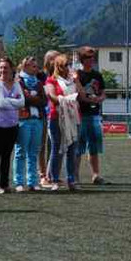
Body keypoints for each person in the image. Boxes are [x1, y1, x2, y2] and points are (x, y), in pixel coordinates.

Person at [0, 57, 25, 194]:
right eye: (1, 67)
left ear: (11, 69)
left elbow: (22, 103)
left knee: (7, 155)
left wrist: (8, 101)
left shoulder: (16, 84)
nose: (3, 70)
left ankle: (5, 183)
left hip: (13, 124)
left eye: (6, 67)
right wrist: (14, 101)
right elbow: (1, 103)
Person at [45, 53, 81, 190]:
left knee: (72, 149)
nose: (68, 67)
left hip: (73, 117)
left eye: (69, 65)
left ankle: (71, 180)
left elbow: (81, 94)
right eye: (66, 65)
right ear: (58, 67)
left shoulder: (73, 80)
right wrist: (68, 99)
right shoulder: (51, 80)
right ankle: (54, 180)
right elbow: (52, 96)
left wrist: (77, 81)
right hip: (57, 118)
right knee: (57, 149)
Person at [74, 46, 107, 185]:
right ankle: (75, 176)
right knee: (78, 147)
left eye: (93, 57)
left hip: (94, 115)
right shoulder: (77, 75)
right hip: (80, 115)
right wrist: (91, 100)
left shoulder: (97, 75)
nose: (91, 59)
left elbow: (103, 92)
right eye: (88, 57)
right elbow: (78, 95)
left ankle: (96, 175)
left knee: (94, 147)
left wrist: (100, 99)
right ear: (82, 59)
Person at [13, 56, 46, 191]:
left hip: (37, 120)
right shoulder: (18, 81)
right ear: (25, 66)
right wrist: (35, 98)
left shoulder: (38, 82)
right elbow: (23, 99)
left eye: (36, 66)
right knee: (21, 152)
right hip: (23, 120)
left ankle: (33, 182)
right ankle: (19, 182)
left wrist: (31, 97)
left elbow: (44, 101)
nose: (36, 68)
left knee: (33, 152)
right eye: (33, 66)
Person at [39, 49, 60, 185]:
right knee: (41, 145)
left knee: (53, 145)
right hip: (42, 114)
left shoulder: (59, 77)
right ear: (49, 61)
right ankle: (42, 174)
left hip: (54, 115)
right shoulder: (40, 76)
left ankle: (51, 174)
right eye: (57, 58)